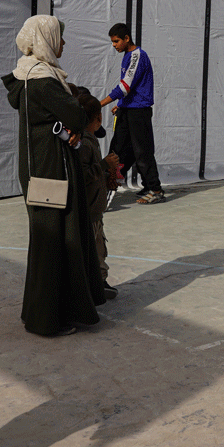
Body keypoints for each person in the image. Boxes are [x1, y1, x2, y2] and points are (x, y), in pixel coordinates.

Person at [2, 15, 106, 336]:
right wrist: (74, 123)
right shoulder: (43, 80)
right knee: (52, 243)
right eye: (59, 37)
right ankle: (45, 321)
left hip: (42, 169)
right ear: (45, 39)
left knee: (52, 241)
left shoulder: (30, 75)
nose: (63, 43)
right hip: (50, 172)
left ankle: (47, 312)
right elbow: (77, 114)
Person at [99, 22, 164, 204]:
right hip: (127, 109)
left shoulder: (137, 56)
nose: (114, 45)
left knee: (142, 150)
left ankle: (155, 189)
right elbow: (130, 88)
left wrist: (99, 104)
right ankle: (112, 182)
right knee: (118, 149)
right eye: (112, 42)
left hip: (139, 111)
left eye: (116, 41)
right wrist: (121, 105)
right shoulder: (127, 56)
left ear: (127, 38)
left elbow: (125, 86)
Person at [76, 89, 120, 300]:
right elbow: (82, 175)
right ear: (98, 119)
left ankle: (99, 283)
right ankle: (94, 287)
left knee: (99, 249)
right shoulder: (84, 143)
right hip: (89, 210)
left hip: (95, 210)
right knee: (93, 252)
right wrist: (104, 165)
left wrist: (108, 173)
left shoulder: (89, 139)